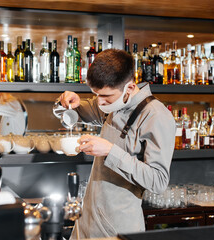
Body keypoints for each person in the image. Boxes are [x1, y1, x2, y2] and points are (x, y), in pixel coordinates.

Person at [55, 49, 176, 238]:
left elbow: (158, 181)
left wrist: (110, 151)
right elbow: (89, 111)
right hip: (86, 221)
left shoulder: (156, 115)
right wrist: (74, 104)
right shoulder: (114, 102)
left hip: (117, 227)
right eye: (96, 94)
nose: (100, 102)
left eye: (106, 97)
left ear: (129, 87)